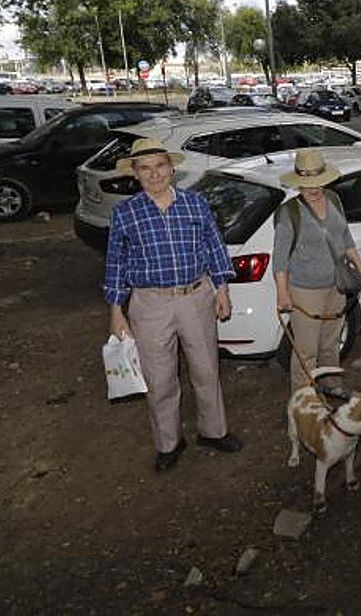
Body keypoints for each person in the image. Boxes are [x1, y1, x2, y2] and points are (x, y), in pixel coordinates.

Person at [103, 137, 243, 472]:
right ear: (135, 174)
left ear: (171, 167)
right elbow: (116, 263)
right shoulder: (125, 213)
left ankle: (213, 431)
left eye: (160, 166)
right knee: (161, 379)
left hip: (196, 296)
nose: (155, 174)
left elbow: (214, 245)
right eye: (145, 169)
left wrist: (222, 288)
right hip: (149, 304)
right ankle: (169, 443)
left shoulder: (196, 204)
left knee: (206, 370)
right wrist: (116, 311)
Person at [272, 148, 361, 396]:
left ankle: (332, 386)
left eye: (317, 183)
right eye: (307, 185)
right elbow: (280, 258)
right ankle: (302, 402)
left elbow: (344, 236)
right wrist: (282, 293)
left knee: (330, 343)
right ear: (298, 184)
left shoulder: (334, 199)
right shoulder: (290, 213)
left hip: (336, 286)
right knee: (306, 351)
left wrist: (360, 265)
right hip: (305, 291)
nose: (314, 190)